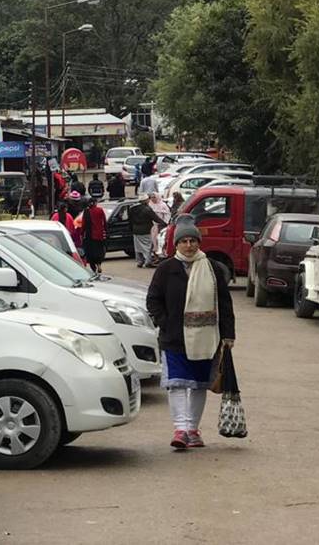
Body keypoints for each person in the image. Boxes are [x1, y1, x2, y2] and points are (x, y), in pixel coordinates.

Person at [146, 215, 235, 450]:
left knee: (198, 384)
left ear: (198, 243)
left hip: (205, 338)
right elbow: (153, 300)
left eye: (192, 241)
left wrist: (228, 335)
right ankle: (181, 429)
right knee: (176, 384)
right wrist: (165, 322)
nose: (188, 245)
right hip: (174, 338)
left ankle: (193, 430)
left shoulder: (213, 268)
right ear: (176, 244)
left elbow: (224, 303)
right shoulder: (166, 269)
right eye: (183, 241)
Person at [128, 195, 164, 268]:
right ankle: (148, 262)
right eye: (148, 199)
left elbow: (130, 220)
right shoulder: (147, 209)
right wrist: (165, 223)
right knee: (147, 247)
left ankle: (140, 261)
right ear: (146, 200)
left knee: (138, 248)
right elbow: (155, 218)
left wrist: (131, 229)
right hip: (146, 230)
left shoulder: (132, 208)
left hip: (136, 230)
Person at [82, 197, 108, 273]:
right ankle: (99, 264)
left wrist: (81, 233)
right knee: (99, 251)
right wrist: (106, 231)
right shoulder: (100, 210)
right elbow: (104, 222)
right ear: (95, 203)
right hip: (99, 235)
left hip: (89, 236)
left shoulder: (86, 211)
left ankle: (93, 268)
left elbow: (83, 224)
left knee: (90, 252)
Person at [148, 191, 172, 265]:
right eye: (151, 197)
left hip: (160, 226)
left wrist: (164, 222)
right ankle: (155, 257)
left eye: (154, 197)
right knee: (153, 242)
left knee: (160, 242)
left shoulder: (163, 205)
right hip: (152, 226)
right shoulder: (149, 205)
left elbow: (167, 215)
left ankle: (161, 257)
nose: (153, 199)